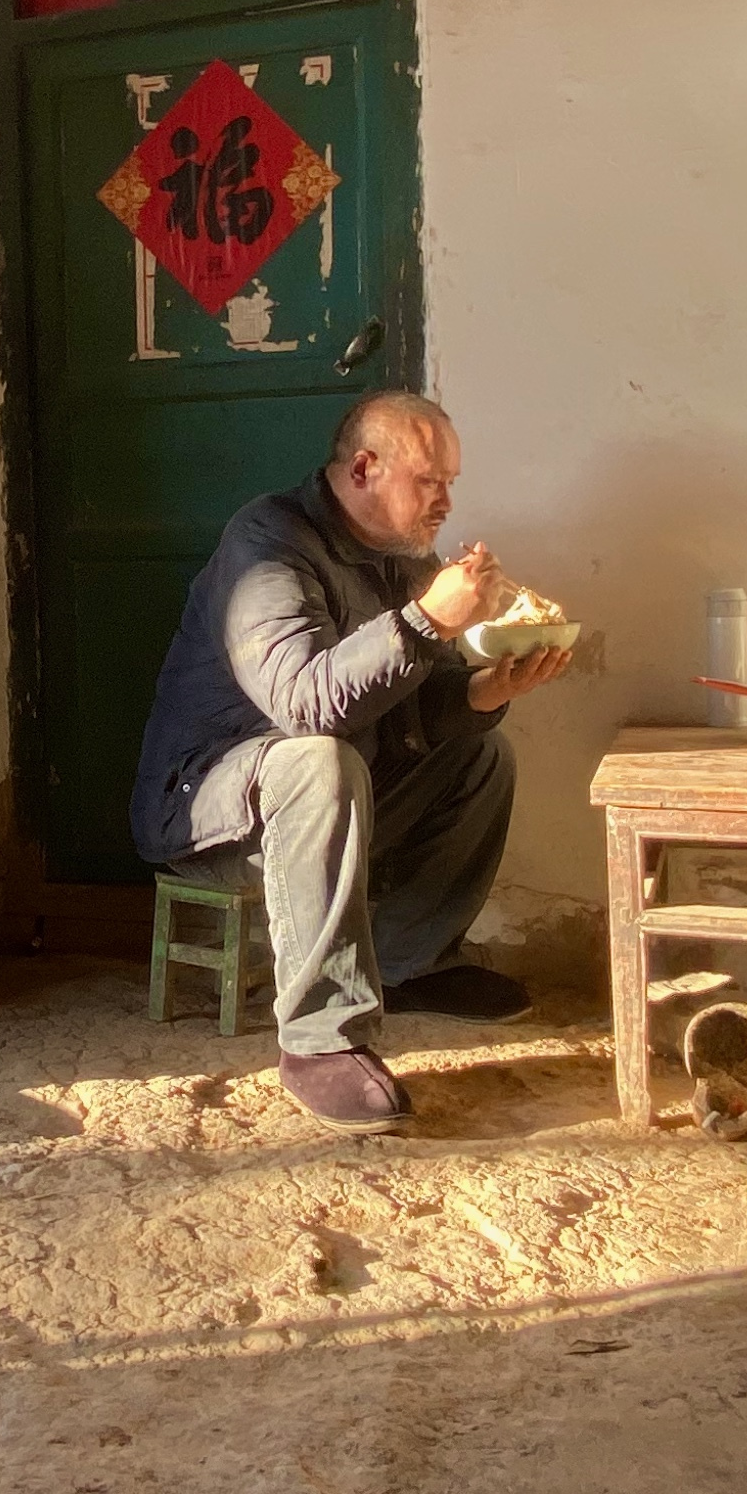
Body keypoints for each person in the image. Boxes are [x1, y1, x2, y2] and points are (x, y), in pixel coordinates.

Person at [132, 391, 579, 1130]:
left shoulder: (403, 559)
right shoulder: (267, 544)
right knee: (318, 760)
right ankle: (319, 1041)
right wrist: (429, 617)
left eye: (451, 484)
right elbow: (305, 705)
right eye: (429, 481)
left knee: (480, 755)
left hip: (326, 789)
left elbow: (412, 711)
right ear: (365, 469)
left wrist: (484, 689)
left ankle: (414, 961)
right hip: (208, 813)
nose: (445, 502)